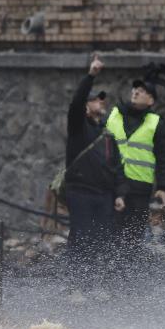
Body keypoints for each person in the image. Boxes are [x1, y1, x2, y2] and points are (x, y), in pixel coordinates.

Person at [63, 54, 128, 271]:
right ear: (86, 107)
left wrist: (119, 193)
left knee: (101, 242)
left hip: (104, 195)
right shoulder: (77, 127)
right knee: (81, 240)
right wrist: (91, 75)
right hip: (80, 191)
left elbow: (117, 166)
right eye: (95, 99)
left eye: (102, 99)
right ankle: (76, 287)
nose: (101, 101)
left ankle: (94, 286)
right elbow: (76, 101)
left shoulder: (107, 135)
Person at [102, 77, 165, 249]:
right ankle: (107, 273)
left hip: (139, 188)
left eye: (142, 91)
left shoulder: (157, 123)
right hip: (111, 183)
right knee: (108, 232)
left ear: (151, 100)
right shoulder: (113, 115)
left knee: (133, 236)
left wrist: (163, 187)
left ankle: (130, 273)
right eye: (134, 89)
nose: (135, 92)